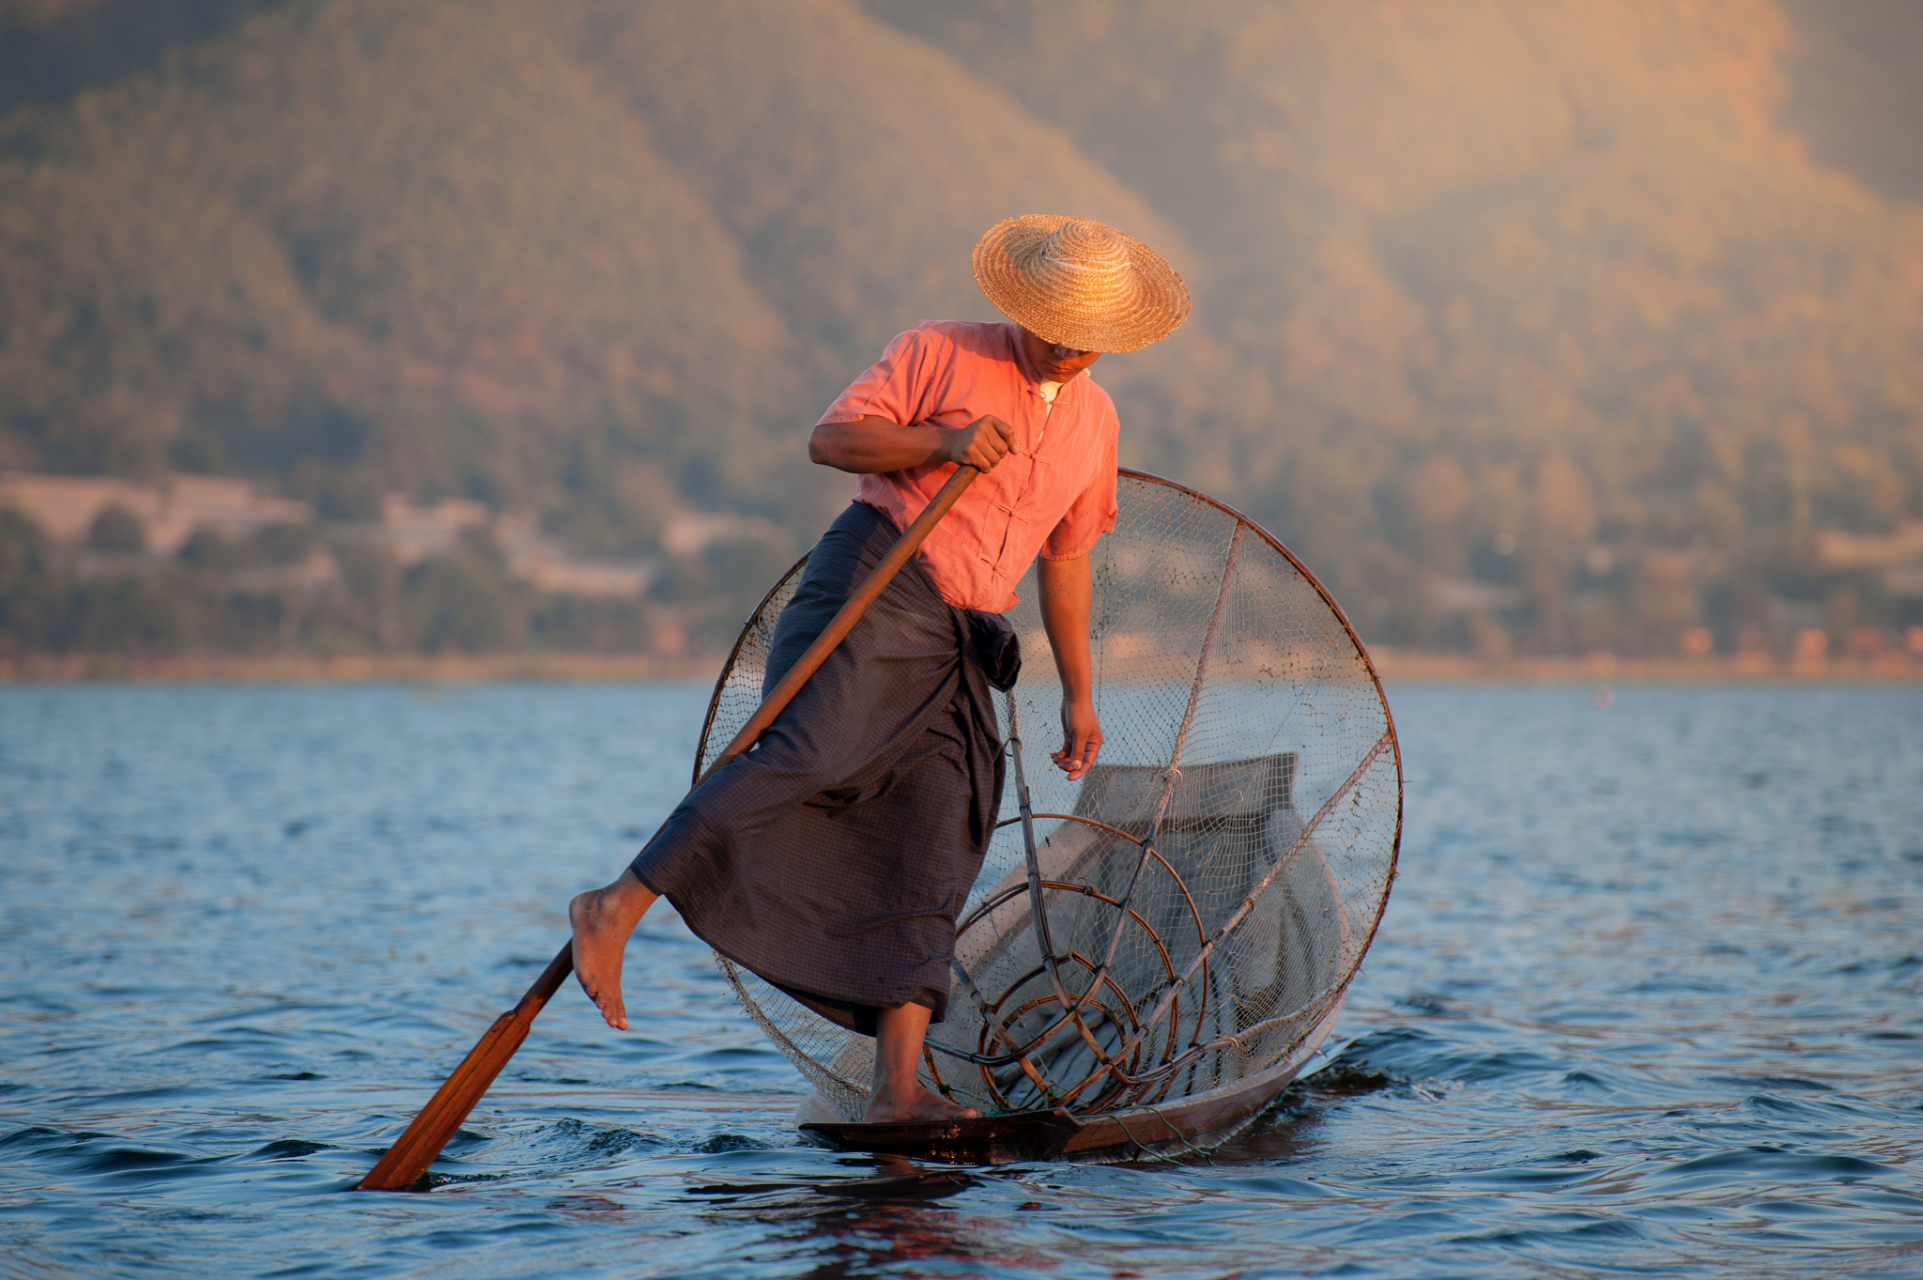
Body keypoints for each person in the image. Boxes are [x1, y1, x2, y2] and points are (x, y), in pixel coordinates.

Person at [568, 214, 1190, 1123]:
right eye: (1051, 322)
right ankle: (616, 903)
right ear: (1023, 303)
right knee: (808, 753)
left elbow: (1066, 560)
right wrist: (940, 444)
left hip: (960, 632)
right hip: (877, 575)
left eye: (1084, 336)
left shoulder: (1096, 420)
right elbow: (834, 439)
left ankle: (896, 1089)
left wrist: (1082, 695)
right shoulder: (939, 350)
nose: (1063, 346)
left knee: (941, 827)